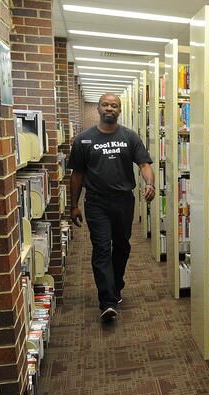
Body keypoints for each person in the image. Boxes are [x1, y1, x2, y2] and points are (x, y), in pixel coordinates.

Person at [68, 93, 155, 322]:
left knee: (122, 246)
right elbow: (77, 174)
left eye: (114, 106)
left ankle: (116, 286)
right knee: (102, 248)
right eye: (105, 105)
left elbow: (144, 164)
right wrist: (73, 205)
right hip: (96, 202)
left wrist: (150, 183)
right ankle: (107, 301)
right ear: (98, 109)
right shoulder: (83, 139)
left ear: (119, 110)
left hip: (124, 201)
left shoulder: (130, 136)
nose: (109, 108)